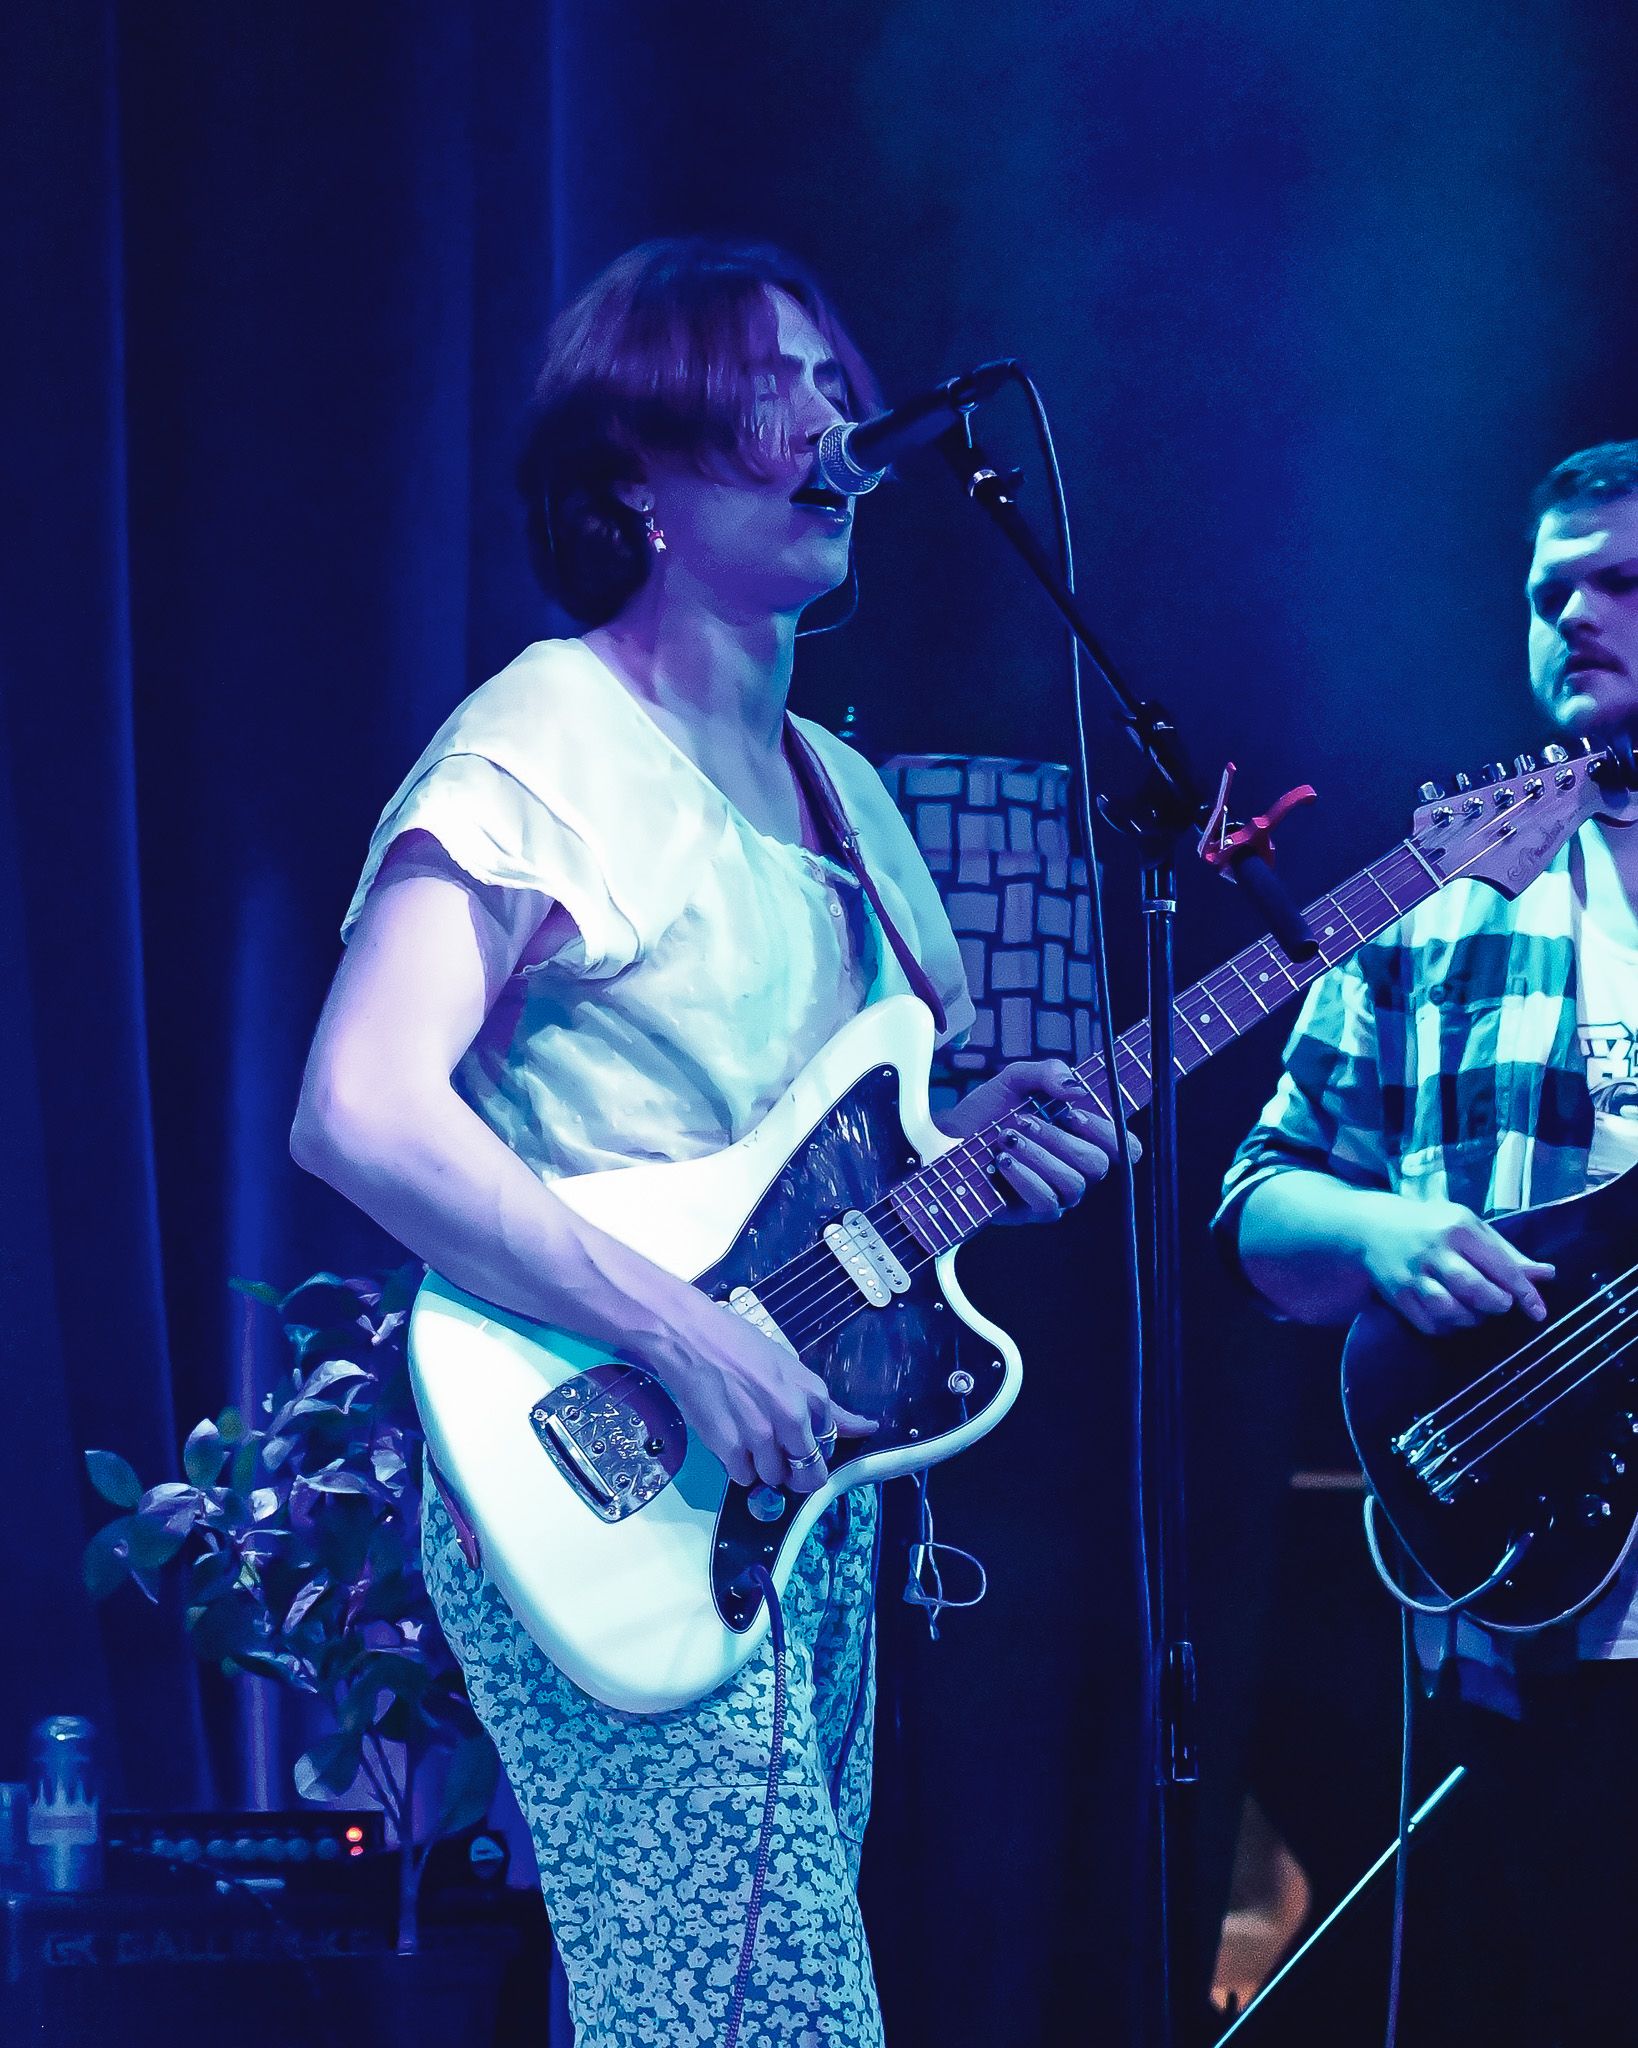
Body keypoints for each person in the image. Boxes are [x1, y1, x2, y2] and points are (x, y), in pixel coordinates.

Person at [290, 237, 1128, 2048]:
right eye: (771, 388)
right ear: (636, 482)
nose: (831, 421)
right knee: (761, 2016)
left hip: (795, 1477)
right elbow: (358, 1109)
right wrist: (683, 1329)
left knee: (728, 2009)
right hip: (600, 1444)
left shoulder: (853, 797)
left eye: (835, 383)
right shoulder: (548, 738)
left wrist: (977, 1143)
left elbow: (825, 1161)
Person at [1215, 439, 1638, 2045]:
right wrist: (1383, 1229)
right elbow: (1260, 1207)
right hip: (1531, 1607)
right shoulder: (1446, 896)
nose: (1574, 617)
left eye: (1620, 583)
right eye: (1547, 593)